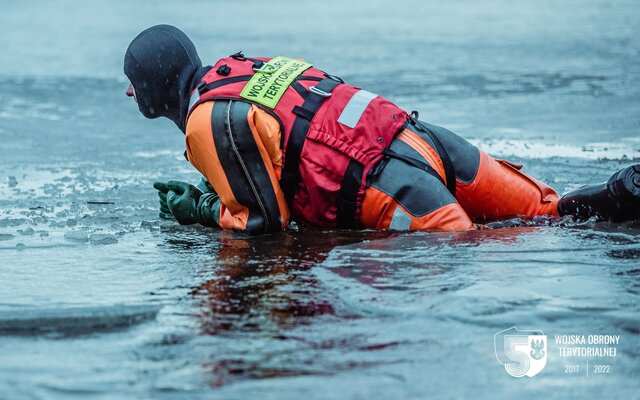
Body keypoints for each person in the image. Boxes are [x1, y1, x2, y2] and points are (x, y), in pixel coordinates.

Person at [123, 25, 640, 235]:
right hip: (424, 142)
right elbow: (286, 133)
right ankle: (623, 191)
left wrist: (203, 210)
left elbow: (265, 225)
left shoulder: (204, 121)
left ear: (154, 87)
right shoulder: (244, 67)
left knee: (462, 249)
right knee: (546, 215)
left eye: (132, 83)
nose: (130, 94)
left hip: (387, 185)